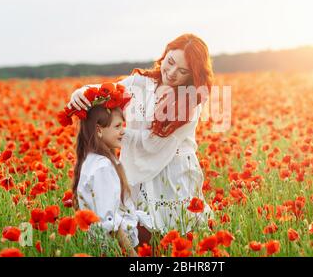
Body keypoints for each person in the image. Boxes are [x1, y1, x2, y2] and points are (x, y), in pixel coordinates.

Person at [68, 33, 214, 237]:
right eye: (170, 62)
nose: (171, 73)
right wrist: (83, 93)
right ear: (165, 53)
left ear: (192, 76)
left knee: (174, 236)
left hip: (172, 173)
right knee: (143, 234)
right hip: (141, 166)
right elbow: (109, 90)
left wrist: (115, 132)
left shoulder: (189, 103)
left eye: (182, 71)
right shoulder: (143, 82)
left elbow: (153, 145)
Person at [67, 82, 153, 256]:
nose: (123, 131)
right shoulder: (103, 167)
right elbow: (111, 223)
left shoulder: (91, 160)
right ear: (98, 130)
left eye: (123, 125)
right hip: (113, 249)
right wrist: (132, 255)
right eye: (117, 126)